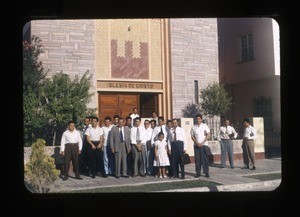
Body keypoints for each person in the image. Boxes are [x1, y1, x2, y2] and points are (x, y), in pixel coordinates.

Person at [191, 114, 211, 178]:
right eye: (197, 119)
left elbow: (208, 134)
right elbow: (192, 136)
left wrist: (202, 143)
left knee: (204, 159)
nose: (198, 120)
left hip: (203, 145)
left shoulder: (205, 126)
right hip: (196, 145)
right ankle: (198, 173)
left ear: (201, 119)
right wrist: (197, 143)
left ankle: (206, 172)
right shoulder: (194, 127)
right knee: (197, 160)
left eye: (199, 119)